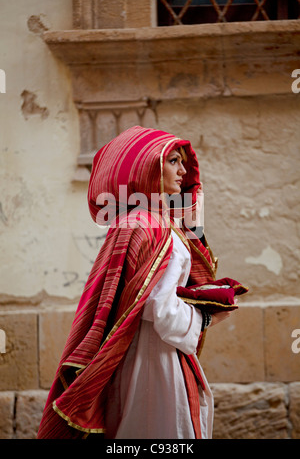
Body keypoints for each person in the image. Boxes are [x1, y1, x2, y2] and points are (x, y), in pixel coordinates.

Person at [37, 125, 231, 439]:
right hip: (154, 361)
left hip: (149, 353)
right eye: (172, 161)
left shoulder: (147, 222)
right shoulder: (145, 225)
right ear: (146, 166)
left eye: (183, 162)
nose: (183, 170)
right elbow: (158, 307)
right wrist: (207, 317)